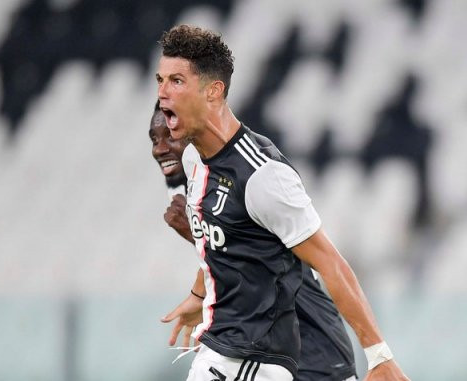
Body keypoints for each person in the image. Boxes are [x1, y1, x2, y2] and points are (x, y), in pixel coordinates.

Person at [154, 24, 409, 381]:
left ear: (214, 91)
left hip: (253, 360)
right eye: (159, 80)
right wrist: (200, 294)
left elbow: (330, 262)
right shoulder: (194, 159)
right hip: (226, 351)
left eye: (176, 81)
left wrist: (378, 355)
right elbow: (224, 241)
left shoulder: (263, 176)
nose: (162, 93)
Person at [149, 102, 358, 381]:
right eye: (154, 139)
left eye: (170, 136)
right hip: (275, 356)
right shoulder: (197, 186)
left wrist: (379, 352)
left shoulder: (242, 178)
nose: (160, 148)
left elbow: (254, 261)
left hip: (314, 355)